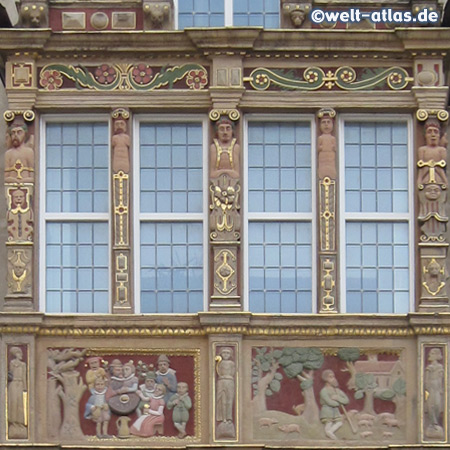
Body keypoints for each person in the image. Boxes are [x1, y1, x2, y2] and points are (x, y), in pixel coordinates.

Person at [319, 369, 349, 440]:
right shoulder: (324, 391)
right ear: (326, 379)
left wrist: (338, 398)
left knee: (339, 423)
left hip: (335, 412)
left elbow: (346, 400)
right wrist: (338, 403)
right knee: (328, 424)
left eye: (333, 376)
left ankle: (329, 433)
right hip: (327, 411)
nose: (333, 379)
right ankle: (332, 436)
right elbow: (329, 402)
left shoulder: (337, 391)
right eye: (330, 377)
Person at [417, 120, 447, 188]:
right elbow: (421, 168)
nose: (433, 135)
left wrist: (445, 182)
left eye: (436, 132)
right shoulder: (422, 150)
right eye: (429, 132)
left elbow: (442, 168)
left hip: (438, 180)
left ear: (439, 136)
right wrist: (419, 181)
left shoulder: (442, 150)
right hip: (425, 180)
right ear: (425, 135)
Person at [8, 346, 27, 439]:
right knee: (13, 403)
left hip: (20, 384)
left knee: (20, 405)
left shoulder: (23, 365)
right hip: (13, 384)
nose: (21, 355)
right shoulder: (11, 363)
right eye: (19, 353)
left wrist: (25, 387)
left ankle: (20, 423)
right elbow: (10, 374)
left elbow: (24, 376)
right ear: (16, 354)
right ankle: (13, 423)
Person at [424, 348, 444, 437]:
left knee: (437, 405)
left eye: (432, 354)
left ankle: (436, 423)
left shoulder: (440, 367)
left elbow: (442, 379)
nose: (429, 356)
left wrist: (441, 388)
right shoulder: (429, 368)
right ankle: (433, 423)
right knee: (430, 405)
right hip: (430, 389)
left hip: (438, 389)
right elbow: (426, 381)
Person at [216, 347, 235, 424]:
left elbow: (233, 372)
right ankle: (223, 418)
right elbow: (218, 371)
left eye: (228, 353)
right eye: (224, 353)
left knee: (229, 400)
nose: (226, 355)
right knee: (221, 400)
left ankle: (229, 418)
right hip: (221, 381)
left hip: (229, 381)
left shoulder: (232, 363)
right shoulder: (219, 363)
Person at [317, 111, 337, 179]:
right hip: (323, 159)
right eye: (323, 122)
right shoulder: (320, 138)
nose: (326, 125)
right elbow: (318, 148)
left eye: (328, 122)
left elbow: (335, 148)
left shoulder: (333, 138)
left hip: (331, 159)